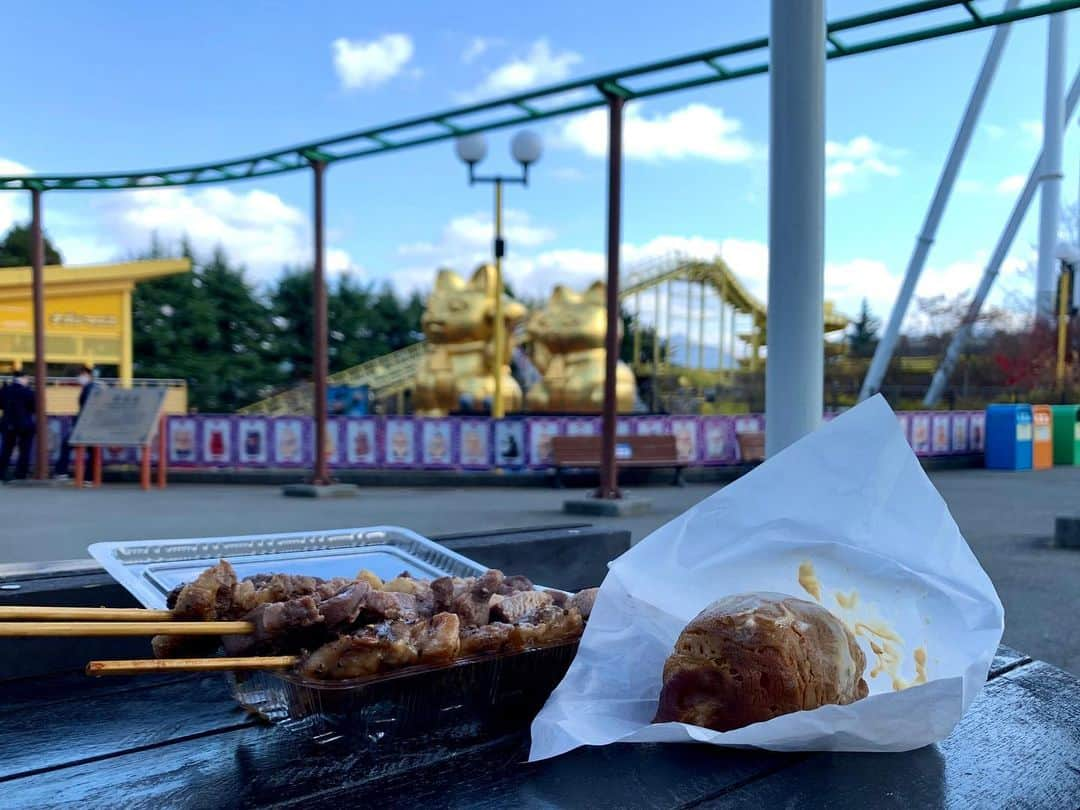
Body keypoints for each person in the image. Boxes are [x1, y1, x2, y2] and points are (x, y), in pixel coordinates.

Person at [53, 364, 101, 478]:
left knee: (67, 444)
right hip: (90, 425)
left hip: (84, 426)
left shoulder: (90, 388)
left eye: (81, 375)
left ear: (87, 375)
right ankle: (89, 477)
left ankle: (62, 472)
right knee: (92, 451)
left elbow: (87, 408)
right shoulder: (93, 388)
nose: (79, 378)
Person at [0, 364, 36, 481]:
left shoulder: (5, 390)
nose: (27, 381)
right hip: (25, 425)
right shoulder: (28, 392)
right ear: (23, 378)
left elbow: (1, 405)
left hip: (8, 425)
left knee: (6, 449)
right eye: (27, 379)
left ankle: (2, 472)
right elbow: (34, 408)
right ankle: (20, 474)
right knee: (24, 450)